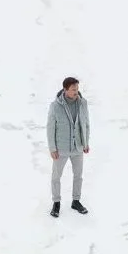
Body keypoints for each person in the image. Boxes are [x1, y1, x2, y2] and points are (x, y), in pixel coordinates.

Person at [47, 76, 91, 217]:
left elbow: (86, 124)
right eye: (73, 89)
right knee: (56, 177)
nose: (76, 92)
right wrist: (53, 148)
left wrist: (85, 143)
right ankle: (56, 203)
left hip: (78, 147)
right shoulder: (55, 106)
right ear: (65, 90)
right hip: (61, 148)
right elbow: (50, 128)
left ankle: (76, 201)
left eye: (77, 89)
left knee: (78, 175)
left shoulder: (83, 103)